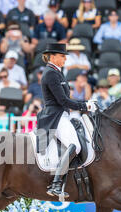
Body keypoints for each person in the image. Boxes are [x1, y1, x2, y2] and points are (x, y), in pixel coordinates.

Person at [36, 42, 92, 198]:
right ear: (52, 56)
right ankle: (56, 184)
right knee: (75, 146)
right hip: (56, 115)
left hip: (63, 114)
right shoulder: (50, 73)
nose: (65, 59)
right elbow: (63, 101)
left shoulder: (57, 72)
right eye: (62, 56)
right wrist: (85, 105)